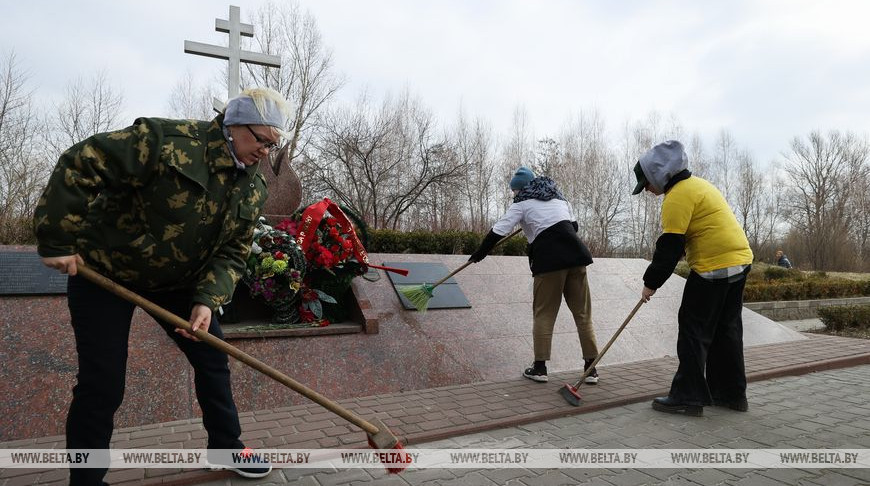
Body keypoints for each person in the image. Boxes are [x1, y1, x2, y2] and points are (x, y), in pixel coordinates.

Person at [34, 87, 292, 485]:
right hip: (107, 272)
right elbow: (83, 162)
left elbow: (233, 252)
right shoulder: (164, 142)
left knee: (213, 360)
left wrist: (207, 300)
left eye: (272, 145)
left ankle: (226, 444)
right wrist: (57, 239)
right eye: (260, 140)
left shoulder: (252, 187)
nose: (264, 152)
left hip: (178, 281)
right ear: (234, 124)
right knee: (102, 383)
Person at [632, 140, 754, 417]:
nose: (648, 191)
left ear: (659, 175)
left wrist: (650, 283)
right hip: (741, 261)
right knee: (727, 330)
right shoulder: (701, 185)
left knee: (692, 331)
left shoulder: (676, 197)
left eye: (647, 184)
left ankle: (688, 397)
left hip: (714, 267)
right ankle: (731, 395)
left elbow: (670, 248)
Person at [469, 167, 600, 384]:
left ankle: (539, 368)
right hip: (577, 258)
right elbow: (573, 226)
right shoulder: (560, 199)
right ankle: (591, 369)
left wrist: (479, 254)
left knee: (544, 314)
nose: (514, 194)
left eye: (515, 191)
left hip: (549, 262)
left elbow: (498, 231)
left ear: (522, 189)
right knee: (583, 314)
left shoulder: (521, 204)